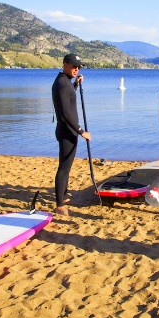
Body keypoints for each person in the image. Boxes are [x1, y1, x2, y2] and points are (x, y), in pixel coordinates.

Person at [51, 53, 91, 216]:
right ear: (65, 64)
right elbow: (66, 113)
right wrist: (81, 131)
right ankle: (59, 204)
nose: (76, 69)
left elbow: (66, 99)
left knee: (66, 166)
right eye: (74, 66)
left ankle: (63, 195)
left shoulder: (65, 82)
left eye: (79, 67)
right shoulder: (61, 83)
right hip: (67, 131)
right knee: (64, 168)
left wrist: (75, 85)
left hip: (69, 131)